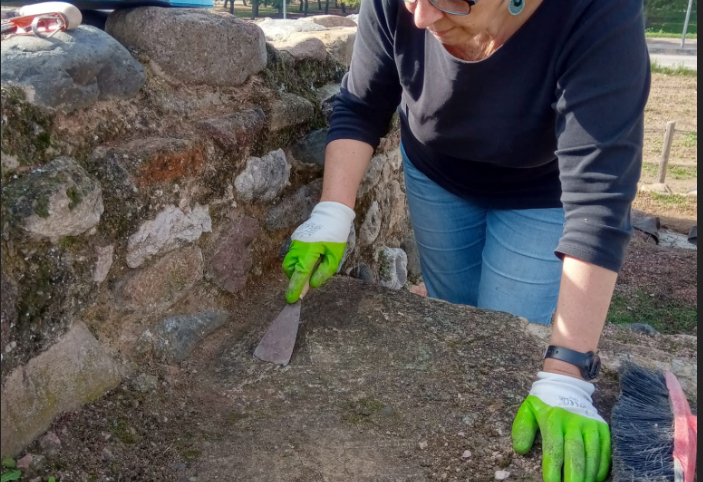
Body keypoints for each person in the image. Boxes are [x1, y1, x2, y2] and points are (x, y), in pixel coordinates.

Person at [282, 0, 651, 480]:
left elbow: (600, 199)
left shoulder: (599, 11)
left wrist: (568, 373)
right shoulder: (405, 7)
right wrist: (332, 212)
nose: (420, 18)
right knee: (453, 315)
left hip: (540, 194)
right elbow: (362, 103)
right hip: (437, 175)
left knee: (511, 348)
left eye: (447, 1)